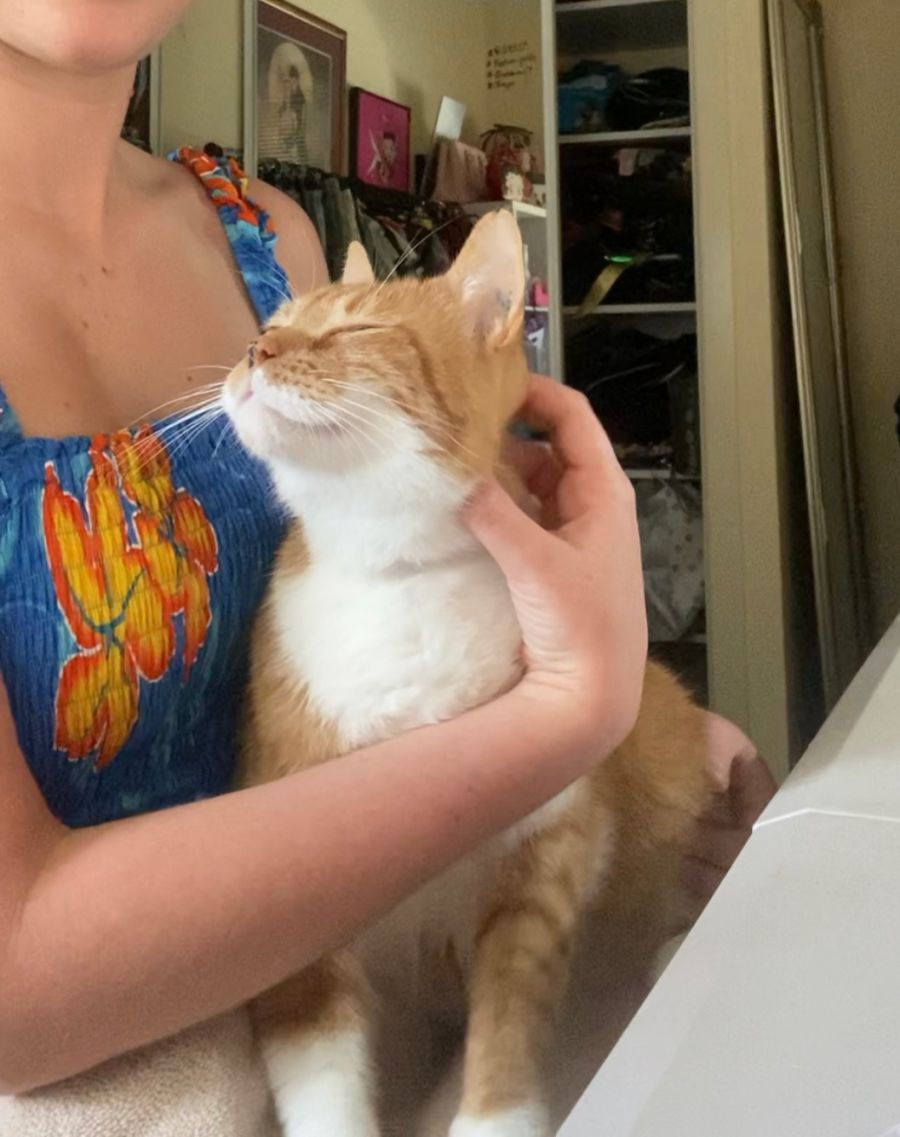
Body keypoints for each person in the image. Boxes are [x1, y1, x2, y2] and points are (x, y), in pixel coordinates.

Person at [0, 0, 774, 1109]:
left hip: (403, 1042)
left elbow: (390, 615)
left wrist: (651, 761)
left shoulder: (269, 238)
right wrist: (571, 717)